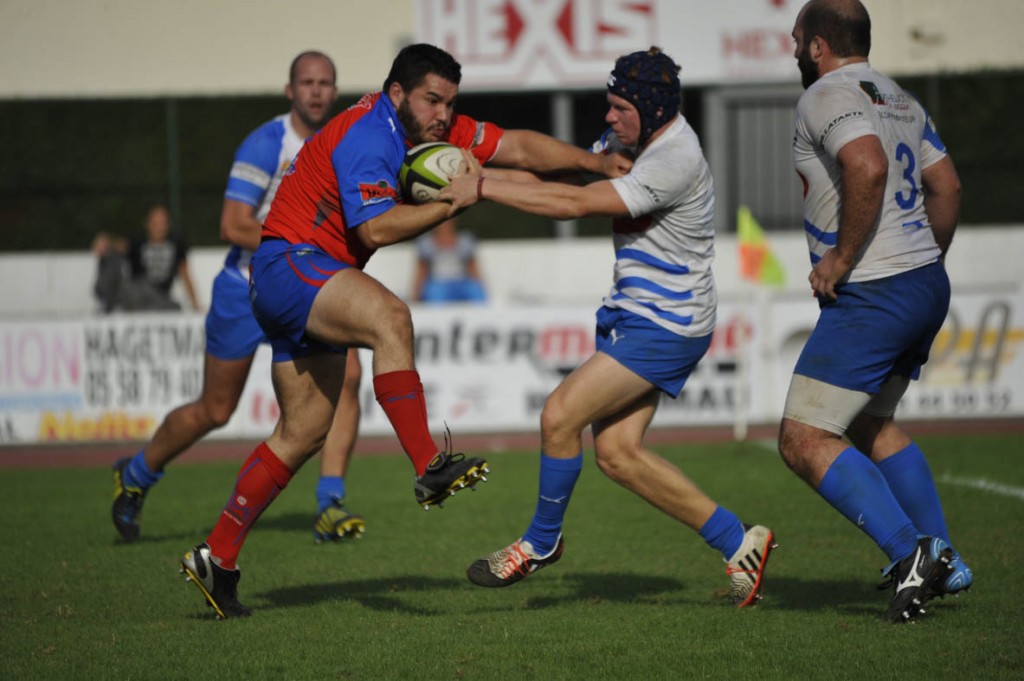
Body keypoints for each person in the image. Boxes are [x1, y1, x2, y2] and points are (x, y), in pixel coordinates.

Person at [178, 43, 633, 619]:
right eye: (432, 100)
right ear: (399, 95)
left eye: (450, 102)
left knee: (303, 433)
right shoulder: (372, 132)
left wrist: (594, 164)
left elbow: (514, 145)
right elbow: (374, 231)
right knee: (391, 318)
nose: (443, 114)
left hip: (295, 277)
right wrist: (452, 203)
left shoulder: (426, 126)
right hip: (290, 265)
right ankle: (427, 465)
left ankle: (217, 557)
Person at [441, 47, 776, 607]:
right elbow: (550, 171)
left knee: (558, 415)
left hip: (667, 321)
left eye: (620, 108)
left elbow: (572, 203)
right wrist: (477, 173)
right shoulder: (633, 141)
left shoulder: (674, 158)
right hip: (640, 313)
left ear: (650, 107)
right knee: (618, 454)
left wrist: (481, 188)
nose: (609, 119)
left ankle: (540, 543)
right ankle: (740, 543)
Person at [112, 51, 367, 548]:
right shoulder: (267, 142)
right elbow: (232, 224)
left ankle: (329, 504)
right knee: (215, 409)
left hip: (306, 289)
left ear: (335, 92)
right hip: (244, 288)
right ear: (289, 90)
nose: (316, 91)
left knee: (351, 378)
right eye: (306, 82)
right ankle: (137, 473)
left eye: (325, 83)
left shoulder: (344, 142)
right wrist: (302, 248)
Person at [778, 0, 969, 623]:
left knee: (803, 438)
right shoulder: (900, 98)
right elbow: (948, 186)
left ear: (815, 47)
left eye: (796, 39)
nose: (793, 50)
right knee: (870, 423)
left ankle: (909, 554)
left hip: (876, 289)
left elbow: (867, 164)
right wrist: (923, 259)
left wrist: (842, 257)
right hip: (922, 283)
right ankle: (946, 558)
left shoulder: (827, 92)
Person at [92, 204, 202, 313]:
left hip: (158, 297)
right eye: (155, 223)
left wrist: (196, 305)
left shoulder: (177, 244)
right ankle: (107, 302)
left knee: (174, 308)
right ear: (147, 223)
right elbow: (119, 245)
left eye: (162, 223)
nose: (159, 227)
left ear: (168, 224)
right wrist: (106, 241)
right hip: (136, 290)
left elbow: (185, 275)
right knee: (111, 253)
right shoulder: (138, 243)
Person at [412, 216, 486, 303]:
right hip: (438, 283)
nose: (445, 226)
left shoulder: (465, 241)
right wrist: (415, 296)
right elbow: (422, 271)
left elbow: (473, 268)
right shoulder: (426, 243)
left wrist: (480, 286)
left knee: (475, 290)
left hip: (461, 282)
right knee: (435, 292)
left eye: (448, 222)